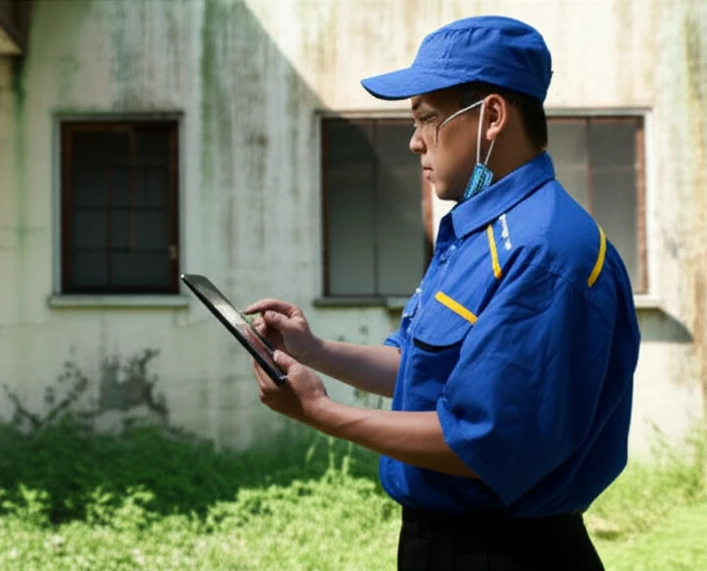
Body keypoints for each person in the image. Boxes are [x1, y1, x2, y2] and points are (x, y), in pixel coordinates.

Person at [244, 15, 640, 570]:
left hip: (507, 553)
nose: (414, 141)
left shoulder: (544, 251)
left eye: (428, 118)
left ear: (492, 118)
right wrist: (315, 353)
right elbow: (416, 367)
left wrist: (320, 412)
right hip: (444, 543)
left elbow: (480, 440)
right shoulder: (476, 235)